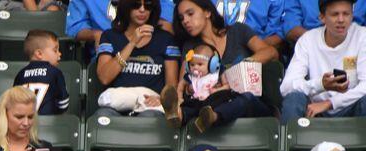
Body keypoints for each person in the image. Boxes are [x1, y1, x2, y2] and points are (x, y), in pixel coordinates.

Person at [166, 0, 277, 129]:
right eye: (181, 18)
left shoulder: (238, 31)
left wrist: (244, 65)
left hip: (250, 107)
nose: (185, 21)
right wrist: (193, 88)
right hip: (212, 104)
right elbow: (185, 84)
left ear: (207, 12)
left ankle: (214, 116)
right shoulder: (190, 47)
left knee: (246, 98)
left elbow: (271, 52)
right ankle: (181, 116)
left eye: (190, 14)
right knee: (197, 105)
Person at [279, 0, 366, 122]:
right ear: (322, 18)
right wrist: (321, 84)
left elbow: (365, 86)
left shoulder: (362, 36)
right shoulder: (307, 40)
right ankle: (291, 141)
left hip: (351, 108)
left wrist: (330, 103)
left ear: (352, 15)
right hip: (314, 110)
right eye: (335, 14)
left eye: (346, 14)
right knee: (293, 99)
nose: (341, 19)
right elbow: (286, 88)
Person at [94, 0, 180, 117]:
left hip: (150, 107)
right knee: (102, 117)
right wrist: (132, 43)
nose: (142, 10)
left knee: (148, 118)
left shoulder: (166, 39)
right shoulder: (110, 36)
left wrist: (161, 99)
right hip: (117, 105)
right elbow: (104, 77)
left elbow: (172, 86)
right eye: (136, 5)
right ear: (126, 6)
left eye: (148, 5)